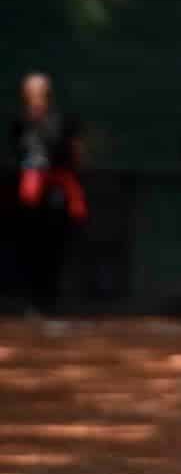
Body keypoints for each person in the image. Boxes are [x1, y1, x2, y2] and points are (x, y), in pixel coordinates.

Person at [11, 72, 86, 314]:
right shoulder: (20, 120)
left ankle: (50, 300)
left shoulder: (60, 119)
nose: (34, 95)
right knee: (28, 245)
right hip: (27, 190)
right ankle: (30, 301)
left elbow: (72, 152)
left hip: (55, 189)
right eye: (29, 90)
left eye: (38, 90)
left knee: (54, 245)